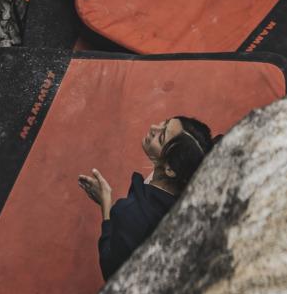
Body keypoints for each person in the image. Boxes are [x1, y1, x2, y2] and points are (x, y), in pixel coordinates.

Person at [78, 116, 214, 281]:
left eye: (161, 137)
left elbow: (110, 268)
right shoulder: (187, 189)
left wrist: (105, 203)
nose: (153, 127)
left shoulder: (128, 212)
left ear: (170, 169)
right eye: (164, 123)